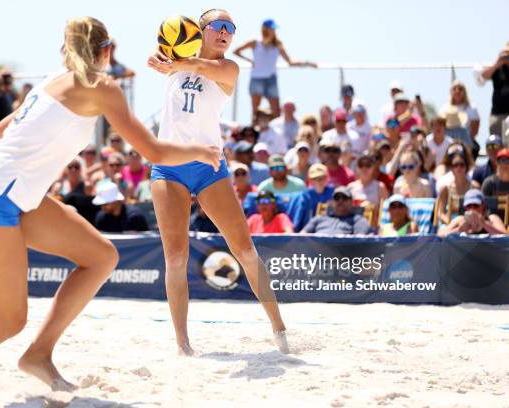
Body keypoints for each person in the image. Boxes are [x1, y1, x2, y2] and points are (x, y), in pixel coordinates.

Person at [0, 16, 221, 390]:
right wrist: (201, 151)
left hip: (0, 193)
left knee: (101, 256)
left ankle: (39, 355)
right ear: (107, 51)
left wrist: (17, 185)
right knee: (7, 321)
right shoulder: (102, 86)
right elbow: (152, 150)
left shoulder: (49, 83)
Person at [147, 9, 288, 356]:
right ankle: (182, 344)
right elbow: (167, 57)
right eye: (218, 26)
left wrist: (176, 63)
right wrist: (163, 56)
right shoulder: (176, 60)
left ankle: (279, 328)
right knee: (176, 258)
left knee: (245, 250)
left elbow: (200, 67)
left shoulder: (228, 69)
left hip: (209, 167)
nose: (226, 32)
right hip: (168, 168)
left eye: (231, 28)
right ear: (201, 30)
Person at [233, 18, 316, 120]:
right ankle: (254, 134)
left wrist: (307, 63)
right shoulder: (255, 42)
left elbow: (290, 62)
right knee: (256, 111)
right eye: (271, 28)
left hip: (271, 79)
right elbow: (236, 51)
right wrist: (250, 61)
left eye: (274, 29)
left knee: (276, 111)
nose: (273, 31)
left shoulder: (278, 44)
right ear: (265, 29)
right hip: (256, 79)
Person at [301, 187, 372, 235]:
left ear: (351, 202)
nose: (340, 201)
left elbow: (359, 241)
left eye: (344, 198)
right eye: (337, 198)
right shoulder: (319, 218)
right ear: (332, 202)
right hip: (315, 253)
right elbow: (301, 236)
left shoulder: (358, 220)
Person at [438, 189, 506, 236]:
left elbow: (506, 237)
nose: (472, 208)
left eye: (476, 205)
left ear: (483, 205)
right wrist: (458, 230)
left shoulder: (492, 219)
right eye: (469, 205)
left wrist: (484, 224)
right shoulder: (460, 220)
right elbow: (439, 236)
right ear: (465, 207)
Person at [478, 42, 509, 142]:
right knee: (496, 143)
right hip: (497, 114)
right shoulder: (497, 69)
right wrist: (497, 63)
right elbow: (483, 76)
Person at [437, 150, 475, 226]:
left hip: (470, 223)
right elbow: (440, 213)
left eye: (462, 165)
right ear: (451, 168)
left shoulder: (474, 187)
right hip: (449, 223)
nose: (459, 167)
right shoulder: (444, 189)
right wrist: (452, 223)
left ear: (466, 167)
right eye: (455, 165)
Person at [440, 80, 480, 144]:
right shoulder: (445, 107)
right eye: (454, 89)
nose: (457, 91)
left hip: (466, 142)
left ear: (465, 92)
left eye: (460, 89)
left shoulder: (472, 108)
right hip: (447, 142)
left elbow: (474, 131)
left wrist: (464, 143)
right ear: (451, 92)